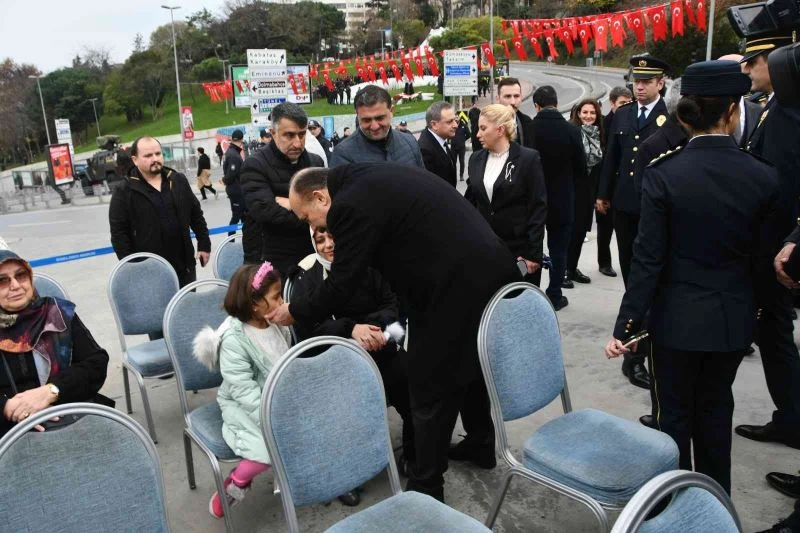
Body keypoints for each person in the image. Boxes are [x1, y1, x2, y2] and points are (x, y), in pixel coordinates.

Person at [268, 163, 521, 503]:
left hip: (456, 285)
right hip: (490, 267)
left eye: (306, 216)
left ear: (320, 197)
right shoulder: (371, 177)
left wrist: (295, 309)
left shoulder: (348, 206)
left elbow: (344, 282)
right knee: (469, 362)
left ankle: (426, 487)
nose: (310, 225)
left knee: (427, 383)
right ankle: (480, 442)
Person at [603, 60, 781, 494]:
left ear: (687, 113)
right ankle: (714, 501)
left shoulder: (665, 173)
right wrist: (754, 311)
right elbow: (764, 262)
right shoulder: (763, 176)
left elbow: (647, 261)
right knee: (717, 411)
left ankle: (673, 501)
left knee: (673, 417)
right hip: (732, 321)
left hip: (675, 323)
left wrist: (627, 327)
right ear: (734, 112)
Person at [291, 226, 414, 506]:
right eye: (319, 240)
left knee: (411, 380)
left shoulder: (366, 265)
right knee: (344, 407)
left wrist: (371, 330)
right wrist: (350, 329)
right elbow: (307, 327)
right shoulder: (307, 276)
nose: (327, 246)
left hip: (379, 347)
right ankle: (346, 474)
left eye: (332, 237)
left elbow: (392, 304)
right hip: (335, 361)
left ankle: (413, 453)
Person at [736, 29, 800, 450]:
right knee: (772, 335)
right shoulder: (771, 106)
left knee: (775, 336)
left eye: (754, 62)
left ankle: (792, 420)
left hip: (775, 249)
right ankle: (789, 417)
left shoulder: (790, 116)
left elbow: (782, 187)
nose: (747, 68)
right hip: (769, 243)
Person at [193, 262, 290, 519]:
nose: (282, 301)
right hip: (245, 404)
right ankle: (236, 483)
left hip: (276, 396)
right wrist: (270, 417)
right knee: (266, 450)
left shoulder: (275, 322)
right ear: (255, 305)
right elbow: (243, 390)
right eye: (276, 297)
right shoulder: (236, 339)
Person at [597, 55, 671, 390]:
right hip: (624, 207)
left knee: (650, 279)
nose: (639, 86)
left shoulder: (669, 118)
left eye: (646, 81)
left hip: (654, 210)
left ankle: (638, 355)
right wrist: (602, 194)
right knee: (632, 279)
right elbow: (610, 157)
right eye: (635, 81)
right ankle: (636, 345)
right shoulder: (622, 114)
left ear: (661, 83)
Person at [0, 250, 110, 438]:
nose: (16, 285)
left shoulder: (56, 314)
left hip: (66, 411)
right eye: (2, 280)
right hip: (8, 429)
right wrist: (7, 407)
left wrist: (51, 391)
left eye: (21, 275)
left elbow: (96, 363)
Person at [109, 136, 211, 287]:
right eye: (148, 156)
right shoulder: (124, 190)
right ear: (135, 159)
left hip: (185, 267)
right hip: (149, 274)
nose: (155, 159)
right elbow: (119, 235)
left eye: (158, 154)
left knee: (186, 308)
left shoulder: (177, 180)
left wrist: (204, 245)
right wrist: (133, 268)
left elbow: (195, 214)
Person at [466, 103, 547, 287]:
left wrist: (532, 254)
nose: (478, 134)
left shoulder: (528, 159)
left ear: (500, 130)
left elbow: (538, 207)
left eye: (483, 128)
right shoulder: (476, 159)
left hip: (518, 251)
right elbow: (472, 200)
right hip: (484, 249)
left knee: (517, 307)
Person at [240, 103, 324, 272]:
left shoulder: (316, 163)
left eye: (302, 135)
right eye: (289, 135)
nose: (298, 143)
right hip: (270, 262)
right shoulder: (255, 166)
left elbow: (329, 206)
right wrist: (314, 213)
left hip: (312, 256)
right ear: (273, 133)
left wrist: (290, 203)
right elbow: (268, 214)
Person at [529, 85, 586, 311]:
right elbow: (581, 168)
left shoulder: (529, 129)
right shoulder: (571, 130)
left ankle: (531, 293)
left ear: (536, 105)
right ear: (556, 103)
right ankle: (555, 293)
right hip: (562, 199)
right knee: (559, 250)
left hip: (533, 200)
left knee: (533, 248)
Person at [329, 85, 424, 169]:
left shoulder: (410, 142)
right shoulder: (343, 156)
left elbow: (423, 184)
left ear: (391, 111)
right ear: (357, 116)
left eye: (380, 118)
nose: (374, 127)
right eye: (366, 120)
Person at [564, 99, 604, 288]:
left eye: (592, 113)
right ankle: (563, 270)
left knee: (581, 232)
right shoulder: (571, 132)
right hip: (572, 189)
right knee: (570, 232)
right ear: (578, 113)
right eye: (585, 112)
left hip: (589, 190)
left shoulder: (600, 134)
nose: (588, 116)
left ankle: (572, 268)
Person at [597, 87, 632, 279]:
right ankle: (604, 262)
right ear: (612, 104)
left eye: (628, 103)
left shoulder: (631, 120)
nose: (626, 106)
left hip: (621, 184)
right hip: (606, 181)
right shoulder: (605, 123)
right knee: (604, 228)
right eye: (622, 103)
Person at [417, 101, 458, 187]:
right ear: (434, 125)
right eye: (450, 122)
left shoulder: (441, 140)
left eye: (455, 120)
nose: (455, 125)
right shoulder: (425, 150)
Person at [497, 77, 535, 149]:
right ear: (498, 99)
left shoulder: (528, 123)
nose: (513, 102)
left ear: (521, 97)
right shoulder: (486, 124)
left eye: (516, 96)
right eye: (507, 96)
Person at [222, 129, 246, 237]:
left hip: (236, 189)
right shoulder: (234, 155)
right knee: (237, 216)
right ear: (241, 139)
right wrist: (225, 180)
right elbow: (231, 175)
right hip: (236, 190)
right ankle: (230, 240)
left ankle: (248, 238)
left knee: (244, 215)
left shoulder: (231, 151)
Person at [452, 110, 470, 180]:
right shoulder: (452, 125)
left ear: (459, 117)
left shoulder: (463, 125)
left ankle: (461, 175)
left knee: (462, 162)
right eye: (455, 117)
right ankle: (454, 176)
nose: (456, 118)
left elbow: (468, 134)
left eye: (457, 117)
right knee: (453, 162)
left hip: (461, 147)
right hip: (453, 147)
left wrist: (463, 139)